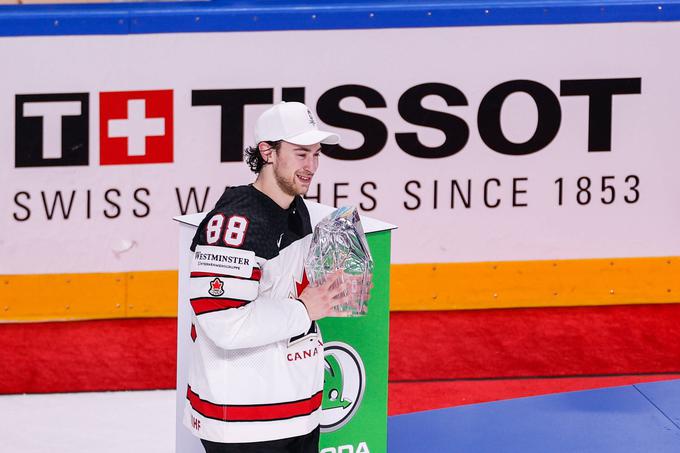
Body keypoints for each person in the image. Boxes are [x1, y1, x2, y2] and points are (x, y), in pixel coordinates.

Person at [184, 101, 351, 453]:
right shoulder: (235, 224)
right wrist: (305, 310)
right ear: (267, 152)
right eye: (301, 153)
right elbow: (223, 322)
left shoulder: (296, 208)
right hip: (247, 422)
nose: (312, 166)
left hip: (297, 410)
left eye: (316, 154)